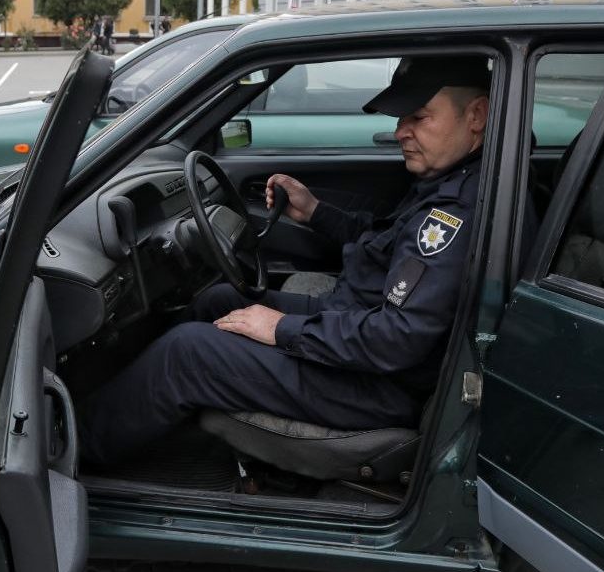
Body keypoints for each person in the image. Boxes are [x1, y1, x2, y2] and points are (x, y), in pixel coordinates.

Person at [81, 56, 516, 469]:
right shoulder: (454, 179)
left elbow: (396, 339)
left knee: (186, 353)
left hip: (377, 384)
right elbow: (385, 245)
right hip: (360, 331)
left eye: (418, 117)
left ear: (476, 116)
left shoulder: (456, 213)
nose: (401, 131)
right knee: (219, 300)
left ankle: (75, 445)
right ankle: (137, 408)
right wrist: (314, 212)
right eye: (402, 118)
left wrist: (279, 328)